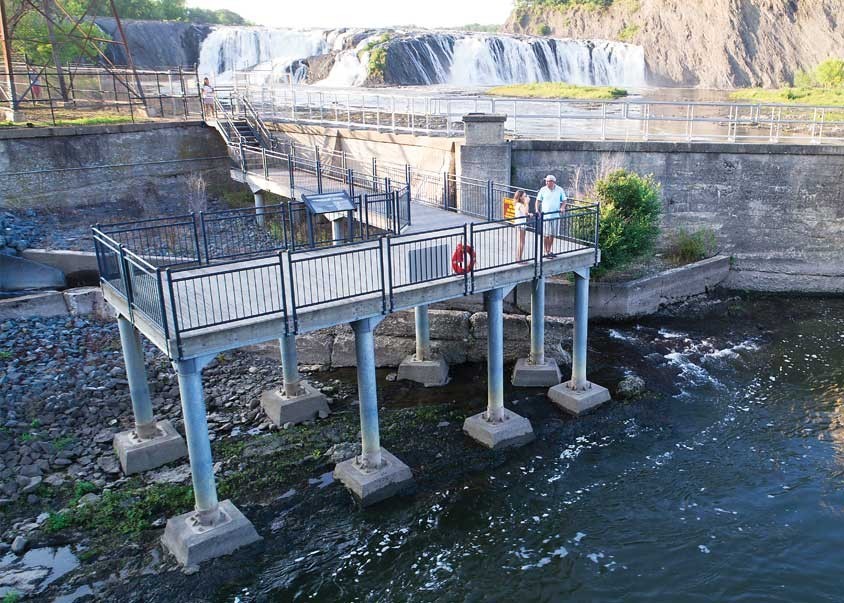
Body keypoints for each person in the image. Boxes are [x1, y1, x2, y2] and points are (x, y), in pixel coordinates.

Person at [536, 174, 567, 257]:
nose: (546, 182)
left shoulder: (559, 190)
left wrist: (562, 207)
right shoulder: (543, 189)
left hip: (555, 215)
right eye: (546, 181)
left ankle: (549, 250)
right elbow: (538, 200)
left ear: (553, 182)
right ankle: (546, 251)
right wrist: (537, 210)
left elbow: (564, 200)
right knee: (546, 234)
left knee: (552, 234)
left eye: (548, 181)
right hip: (545, 216)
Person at [513, 190, 531, 262]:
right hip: (520, 225)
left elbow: (525, 213)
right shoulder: (520, 205)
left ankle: (518, 258)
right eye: (525, 196)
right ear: (520, 197)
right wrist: (527, 203)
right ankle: (519, 259)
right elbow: (525, 213)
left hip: (520, 224)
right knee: (521, 242)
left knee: (521, 242)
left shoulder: (519, 204)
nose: (526, 197)